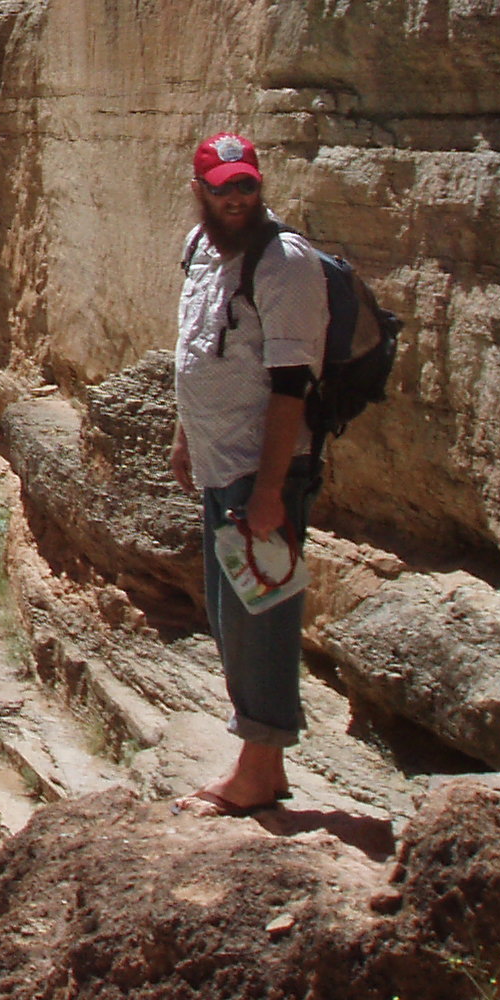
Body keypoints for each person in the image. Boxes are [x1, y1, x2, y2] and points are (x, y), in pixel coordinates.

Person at [168, 130, 326, 817]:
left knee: (262, 615)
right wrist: (184, 435)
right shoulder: (201, 248)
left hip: (263, 469)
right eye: (223, 186)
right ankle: (267, 764)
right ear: (198, 189)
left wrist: (268, 490)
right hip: (217, 460)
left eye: (247, 185)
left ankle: (258, 770)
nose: (236, 197)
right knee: (234, 616)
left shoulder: (284, 261)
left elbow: (292, 386)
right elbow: (198, 347)